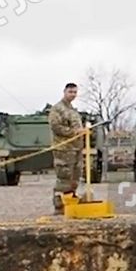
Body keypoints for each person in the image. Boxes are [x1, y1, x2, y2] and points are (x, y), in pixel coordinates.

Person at [48, 82, 85, 213]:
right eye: (70, 92)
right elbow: (56, 127)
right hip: (63, 149)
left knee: (75, 177)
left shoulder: (73, 111)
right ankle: (59, 206)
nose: (73, 95)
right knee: (64, 177)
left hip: (76, 149)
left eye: (75, 92)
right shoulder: (57, 109)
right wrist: (74, 132)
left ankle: (70, 203)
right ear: (64, 92)